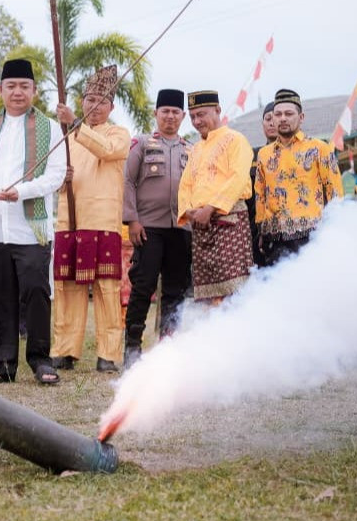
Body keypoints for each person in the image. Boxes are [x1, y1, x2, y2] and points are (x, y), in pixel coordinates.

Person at [0, 58, 66, 386]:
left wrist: (22, 192)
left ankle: (40, 360)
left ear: (34, 90)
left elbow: (56, 175)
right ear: (0, 90)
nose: (18, 92)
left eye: (24, 86)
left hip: (30, 230)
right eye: (11, 86)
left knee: (36, 292)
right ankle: (3, 364)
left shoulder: (50, 128)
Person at [51, 65, 131, 373]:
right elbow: (52, 177)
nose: (95, 106)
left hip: (103, 220)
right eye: (90, 100)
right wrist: (61, 178)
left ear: (112, 107)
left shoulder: (118, 134)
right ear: (82, 101)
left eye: (102, 101)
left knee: (107, 288)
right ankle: (65, 350)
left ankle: (108, 353)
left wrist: (75, 125)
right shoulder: (66, 139)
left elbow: (106, 150)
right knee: (67, 286)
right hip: (69, 219)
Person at [122, 88, 191, 366]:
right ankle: (132, 349)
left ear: (183, 115)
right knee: (143, 286)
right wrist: (132, 220)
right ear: (156, 113)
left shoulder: (191, 149)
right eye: (165, 111)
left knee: (175, 290)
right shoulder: (141, 143)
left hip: (181, 229)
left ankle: (167, 348)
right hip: (148, 227)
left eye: (175, 112)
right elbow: (127, 181)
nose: (170, 116)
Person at [177, 90, 255, 305]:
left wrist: (210, 208)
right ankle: (212, 326)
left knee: (234, 288)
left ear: (218, 110)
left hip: (228, 220)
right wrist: (188, 211)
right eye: (193, 116)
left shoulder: (235, 140)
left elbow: (238, 178)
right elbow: (185, 185)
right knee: (207, 291)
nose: (196, 121)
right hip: (200, 224)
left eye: (201, 114)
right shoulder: (196, 149)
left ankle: (237, 326)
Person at [254, 88, 343, 265]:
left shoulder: (319, 148)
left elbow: (335, 192)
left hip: (312, 236)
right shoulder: (264, 154)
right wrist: (261, 230)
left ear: (301, 117)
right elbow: (260, 195)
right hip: (275, 239)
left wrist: (336, 229)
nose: (282, 118)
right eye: (278, 114)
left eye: (289, 114)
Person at [249, 101, 278, 268]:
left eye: (276, 118)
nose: (272, 123)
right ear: (262, 124)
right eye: (268, 119)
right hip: (257, 229)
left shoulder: (296, 155)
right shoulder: (253, 156)